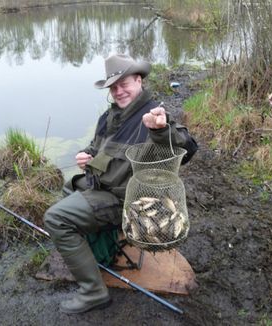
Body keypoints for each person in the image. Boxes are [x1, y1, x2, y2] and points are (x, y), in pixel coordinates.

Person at [44, 54, 198, 314]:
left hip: (128, 202)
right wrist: (87, 155)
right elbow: (96, 148)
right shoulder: (108, 117)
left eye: (124, 84)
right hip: (101, 189)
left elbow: (189, 148)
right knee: (70, 186)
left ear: (138, 80)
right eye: (113, 87)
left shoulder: (153, 116)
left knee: (55, 218)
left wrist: (161, 130)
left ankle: (93, 292)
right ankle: (103, 248)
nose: (119, 91)